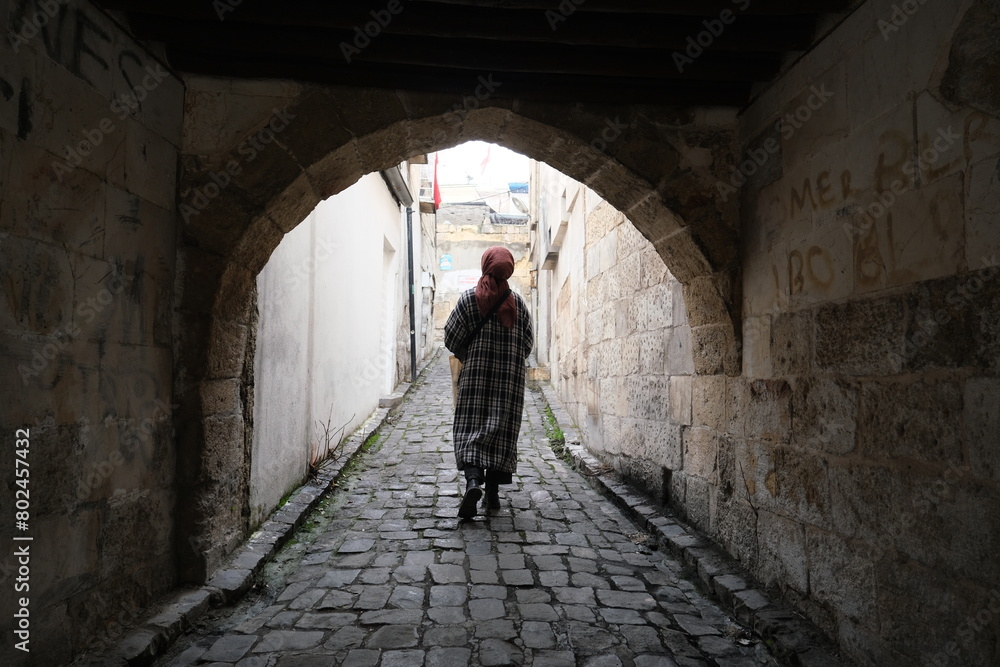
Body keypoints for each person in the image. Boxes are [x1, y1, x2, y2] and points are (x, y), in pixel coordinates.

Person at [444, 246, 533, 519]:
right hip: (508, 383)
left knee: (471, 428)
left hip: (475, 380)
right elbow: (528, 344)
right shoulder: (518, 305)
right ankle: (492, 494)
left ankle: (473, 483)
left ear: (486, 265)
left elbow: (450, 337)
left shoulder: (469, 300)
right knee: (501, 433)